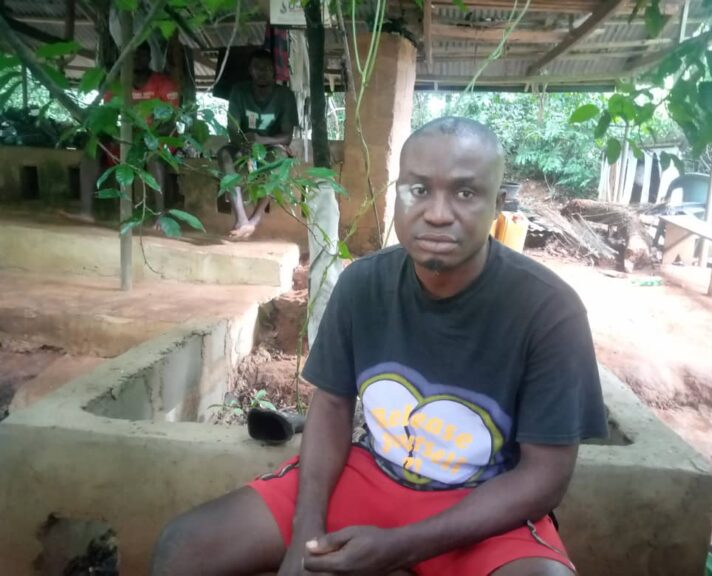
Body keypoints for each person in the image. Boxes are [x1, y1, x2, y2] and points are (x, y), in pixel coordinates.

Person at [151, 117, 607, 576]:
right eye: (419, 190)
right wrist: (306, 536)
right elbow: (331, 407)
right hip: (371, 474)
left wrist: (401, 547)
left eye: (466, 193)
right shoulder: (363, 285)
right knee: (186, 546)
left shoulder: (549, 311)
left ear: (497, 206)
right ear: (398, 195)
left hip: (482, 505)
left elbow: (545, 476)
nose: (438, 213)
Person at [66, 43, 180, 223]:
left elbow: (170, 121)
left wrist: (147, 137)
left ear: (149, 58)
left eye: (141, 55)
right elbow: (108, 118)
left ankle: (161, 215)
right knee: (93, 147)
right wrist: (116, 135)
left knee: (154, 155)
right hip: (128, 138)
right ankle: (86, 211)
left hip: (159, 137)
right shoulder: (116, 84)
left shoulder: (164, 83)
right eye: (132, 55)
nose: (136, 59)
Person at [218, 50, 299, 239]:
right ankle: (241, 219)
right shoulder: (239, 91)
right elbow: (232, 128)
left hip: (271, 146)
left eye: (266, 68)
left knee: (280, 160)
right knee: (224, 154)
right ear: (250, 70)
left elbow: (287, 137)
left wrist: (262, 141)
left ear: (274, 71)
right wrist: (243, 144)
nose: (262, 72)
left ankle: (254, 219)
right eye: (257, 68)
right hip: (243, 144)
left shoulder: (285, 95)